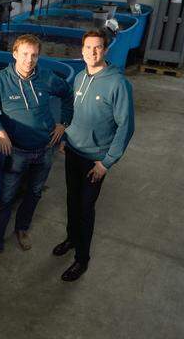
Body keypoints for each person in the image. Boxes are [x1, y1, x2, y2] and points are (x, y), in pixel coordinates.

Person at [0, 34, 73, 268]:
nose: (30, 60)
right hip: (17, 152)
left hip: (46, 148)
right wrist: (0, 133)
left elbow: (68, 95)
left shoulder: (46, 77)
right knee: (5, 199)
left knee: (35, 192)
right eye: (25, 54)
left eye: (34, 55)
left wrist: (63, 123)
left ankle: (21, 229)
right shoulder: (1, 80)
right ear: (15, 54)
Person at [54, 29, 135, 281]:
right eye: (88, 47)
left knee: (86, 207)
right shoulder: (79, 77)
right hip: (73, 152)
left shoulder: (118, 84)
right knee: (71, 199)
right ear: (82, 50)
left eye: (98, 47)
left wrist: (106, 163)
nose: (92, 52)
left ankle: (82, 258)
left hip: (95, 161)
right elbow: (74, 112)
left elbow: (126, 126)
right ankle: (71, 237)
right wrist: (66, 137)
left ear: (106, 50)